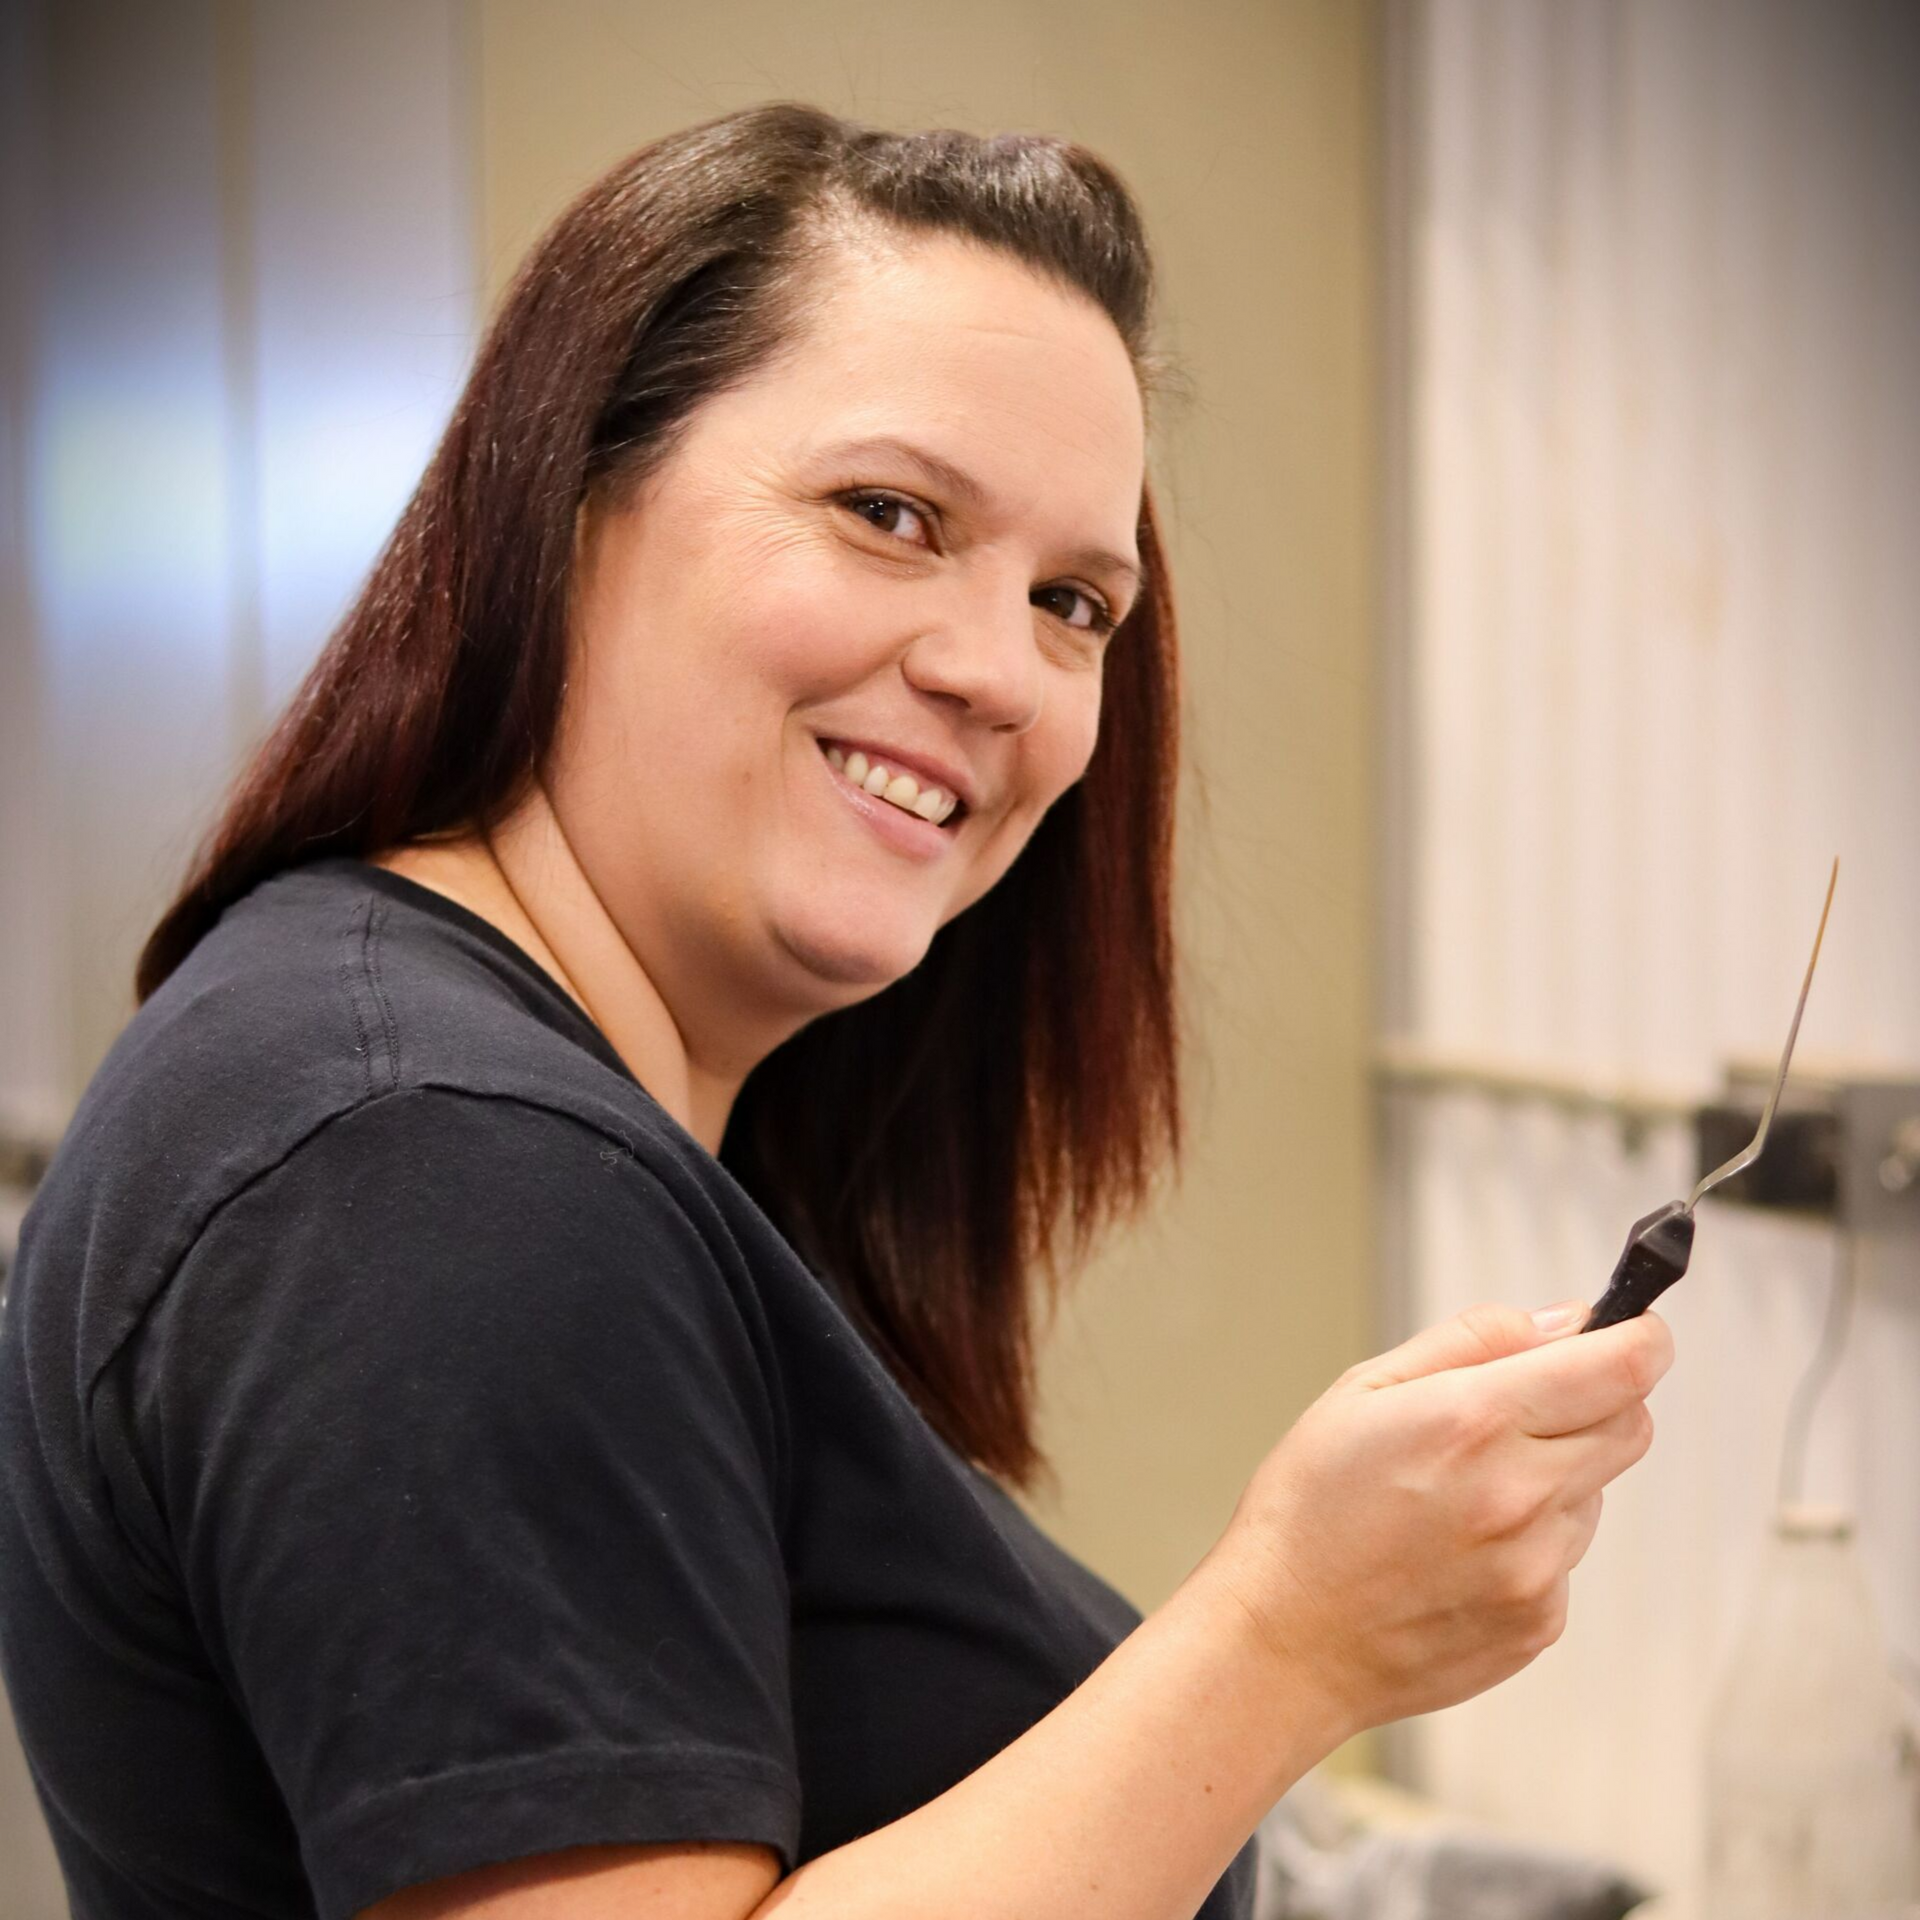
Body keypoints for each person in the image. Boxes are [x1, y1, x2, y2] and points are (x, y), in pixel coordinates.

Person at [0, 102, 1671, 1920]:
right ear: (569, 503)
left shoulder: (494, 1104)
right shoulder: (433, 1172)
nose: (997, 671)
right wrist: (1286, 1643)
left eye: (1073, 602)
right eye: (889, 515)